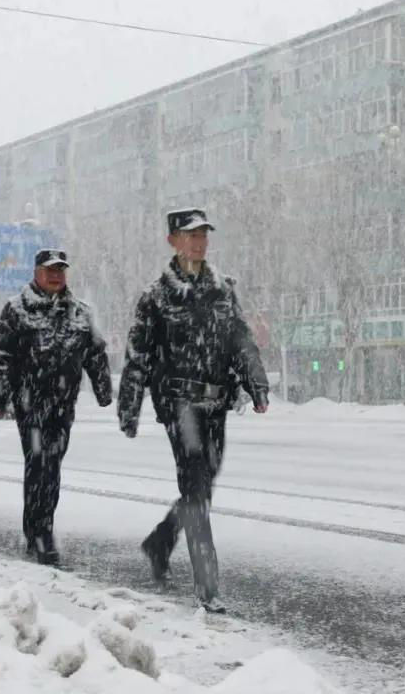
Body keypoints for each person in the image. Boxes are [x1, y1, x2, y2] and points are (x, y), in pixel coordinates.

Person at [117, 207, 269, 613]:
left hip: (216, 402)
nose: (199, 242)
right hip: (179, 403)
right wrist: (129, 406)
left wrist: (257, 383)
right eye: (191, 235)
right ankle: (208, 587)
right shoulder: (156, 297)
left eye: (204, 235)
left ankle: (161, 540)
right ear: (173, 240)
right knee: (197, 487)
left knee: (202, 483)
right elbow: (138, 355)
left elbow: (241, 341)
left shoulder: (223, 289)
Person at [0, 248, 112, 565]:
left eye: (60, 269)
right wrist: (0, 396)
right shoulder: (17, 310)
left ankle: (42, 525)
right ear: (36, 272)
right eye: (49, 269)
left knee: (52, 466)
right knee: (38, 464)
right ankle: (39, 532)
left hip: (63, 404)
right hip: (29, 404)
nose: (56, 275)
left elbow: (96, 353)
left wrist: (103, 390)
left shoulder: (80, 312)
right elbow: (1, 355)